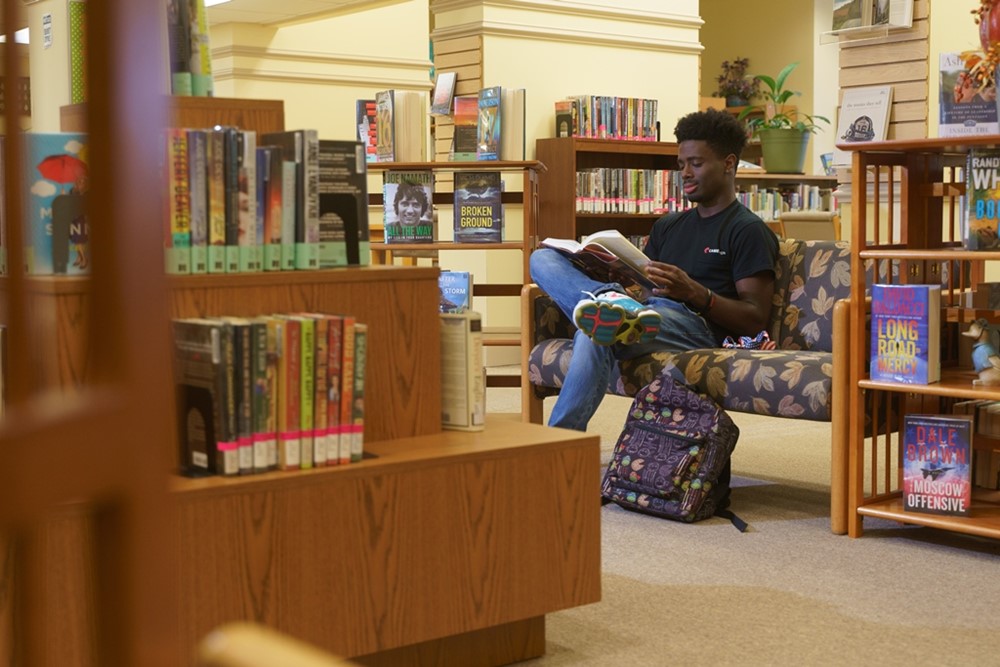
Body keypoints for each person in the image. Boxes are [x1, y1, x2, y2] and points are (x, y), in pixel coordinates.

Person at [529, 108, 779, 431]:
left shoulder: (747, 230)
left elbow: (755, 318)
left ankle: (560, 443)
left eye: (696, 163)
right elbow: (646, 288)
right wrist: (619, 275)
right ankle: (607, 297)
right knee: (542, 260)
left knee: (596, 329)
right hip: (645, 313)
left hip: (696, 326)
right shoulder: (668, 226)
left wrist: (697, 293)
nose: (685, 173)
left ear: (729, 164)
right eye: (681, 164)